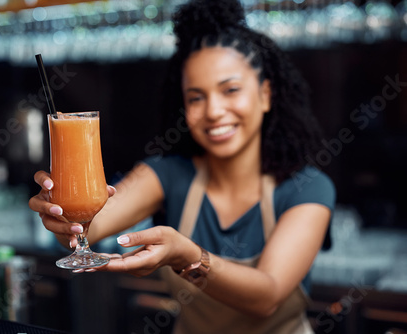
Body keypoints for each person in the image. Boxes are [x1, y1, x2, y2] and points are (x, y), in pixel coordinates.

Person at [29, 0, 336, 333]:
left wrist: (188, 255)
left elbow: (267, 295)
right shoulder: (168, 174)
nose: (214, 111)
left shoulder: (307, 187)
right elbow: (91, 225)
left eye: (230, 90)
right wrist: (61, 216)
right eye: (196, 97)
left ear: (265, 94)